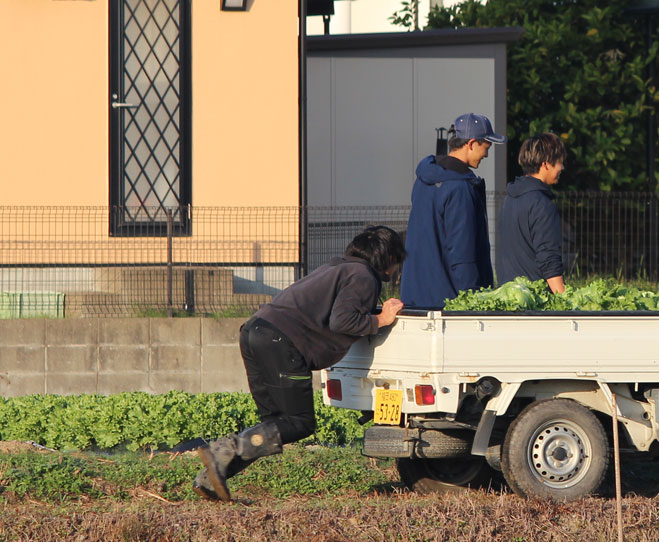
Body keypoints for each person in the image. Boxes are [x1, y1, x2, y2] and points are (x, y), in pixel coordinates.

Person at [194, 225, 405, 501]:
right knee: (299, 422)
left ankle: (211, 478)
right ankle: (222, 453)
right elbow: (343, 321)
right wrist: (381, 320)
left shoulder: (337, 267)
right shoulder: (363, 276)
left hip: (255, 331)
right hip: (282, 342)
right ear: (389, 258)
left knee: (275, 425)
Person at [400, 113, 506, 308]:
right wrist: (474, 302)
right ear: (471, 143)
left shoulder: (424, 180)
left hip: (415, 297)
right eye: (486, 147)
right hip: (448, 304)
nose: (486, 155)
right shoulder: (460, 188)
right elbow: (462, 253)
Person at [497, 133, 567, 292]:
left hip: (508, 295)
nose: (562, 168)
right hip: (535, 299)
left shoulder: (509, 199)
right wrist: (566, 300)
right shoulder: (542, 204)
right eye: (559, 162)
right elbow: (549, 259)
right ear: (546, 164)